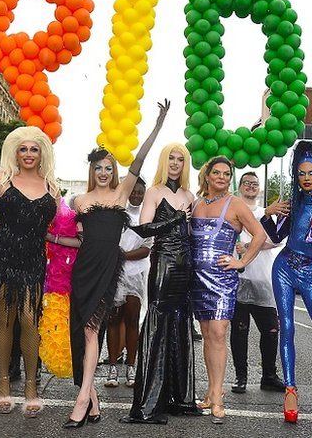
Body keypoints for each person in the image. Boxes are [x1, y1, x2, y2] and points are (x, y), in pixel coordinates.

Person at [64, 99, 169, 429]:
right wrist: (52, 240)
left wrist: (157, 125)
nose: (105, 172)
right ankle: (93, 402)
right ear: (92, 172)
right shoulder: (79, 201)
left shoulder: (122, 193)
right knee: (81, 332)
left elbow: (139, 159)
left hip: (108, 269)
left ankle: (82, 399)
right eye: (100, 168)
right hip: (83, 269)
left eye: (109, 167)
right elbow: (82, 241)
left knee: (93, 330)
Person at [259, 141, 312, 423]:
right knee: (286, 328)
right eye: (301, 173)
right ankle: (290, 390)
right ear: (296, 176)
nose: (306, 178)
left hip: (310, 271)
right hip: (284, 266)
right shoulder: (293, 203)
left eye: (311, 173)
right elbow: (275, 238)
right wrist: (267, 214)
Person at [120, 143, 203, 424]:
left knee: (180, 325)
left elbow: (192, 233)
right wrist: (176, 219)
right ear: (164, 161)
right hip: (164, 263)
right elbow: (143, 229)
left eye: (181, 159)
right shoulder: (154, 191)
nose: (176, 163)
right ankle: (147, 405)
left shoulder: (189, 195)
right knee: (156, 323)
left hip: (186, 264)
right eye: (171, 158)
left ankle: (178, 398)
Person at [0, 126, 60, 417]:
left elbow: (56, 225)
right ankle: (3, 384)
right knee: (6, 319)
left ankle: (30, 386)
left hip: (33, 259)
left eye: (34, 149)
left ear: (42, 154)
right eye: (23, 149)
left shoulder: (51, 186)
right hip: (3, 255)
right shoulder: (2, 180)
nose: (28, 154)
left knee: (29, 319)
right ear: (15, 152)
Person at [190, 156, 267, 424]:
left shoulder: (235, 204)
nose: (222, 177)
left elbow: (259, 235)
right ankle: (211, 392)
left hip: (223, 278)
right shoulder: (196, 204)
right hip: (197, 278)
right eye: (217, 173)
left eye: (226, 173)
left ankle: (218, 396)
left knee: (220, 332)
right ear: (208, 176)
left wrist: (241, 262)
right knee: (207, 333)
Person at [229, 171, 284, 394]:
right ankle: (241, 377)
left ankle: (269, 376)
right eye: (247, 183)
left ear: (259, 189)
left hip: (263, 280)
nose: (251, 186)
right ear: (240, 187)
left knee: (271, 330)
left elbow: (276, 240)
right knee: (239, 331)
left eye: (254, 184)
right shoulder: (233, 209)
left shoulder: (267, 215)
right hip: (239, 279)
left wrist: (251, 246)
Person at [104, 178, 152, 388]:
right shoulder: (114, 212)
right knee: (113, 320)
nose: (136, 195)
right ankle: (113, 367)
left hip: (135, 274)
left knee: (132, 320)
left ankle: (131, 366)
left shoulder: (146, 215)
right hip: (113, 274)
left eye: (140, 192)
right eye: (133, 191)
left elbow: (147, 248)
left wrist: (123, 255)